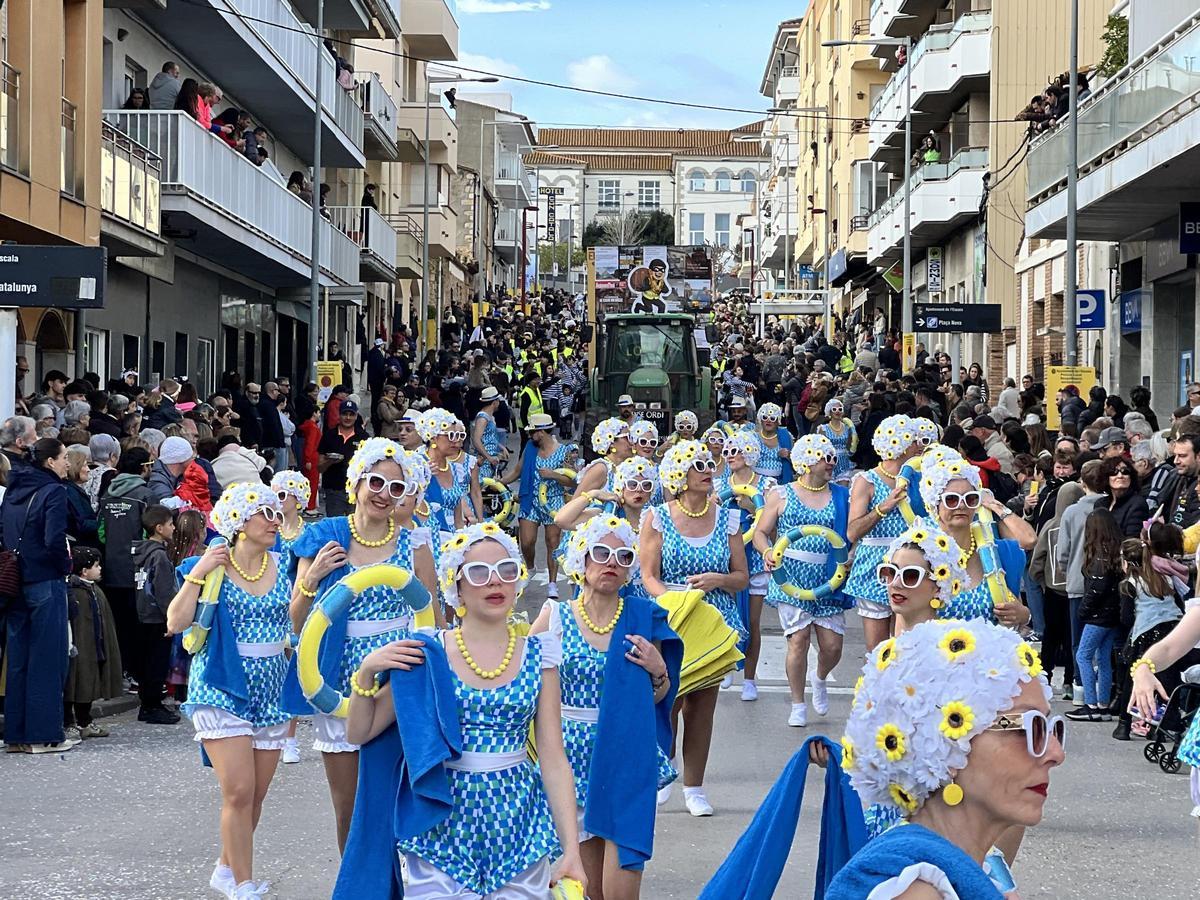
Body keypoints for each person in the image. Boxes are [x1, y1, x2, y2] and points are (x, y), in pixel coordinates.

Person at [338, 523, 586, 897]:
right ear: (456, 585)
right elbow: (360, 731)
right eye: (479, 572)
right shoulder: (429, 652)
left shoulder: (539, 655)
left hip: (517, 821)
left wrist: (572, 851)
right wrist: (366, 672)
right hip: (442, 821)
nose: (495, 581)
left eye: (506, 570)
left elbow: (553, 757)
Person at [829, 619, 1064, 898]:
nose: (1056, 753)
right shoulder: (917, 892)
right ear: (947, 744)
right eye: (1029, 727)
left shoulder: (958, 869)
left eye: (1051, 728)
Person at [287, 439, 440, 852]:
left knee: (399, 798)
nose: (384, 494)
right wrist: (312, 577)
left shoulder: (415, 544)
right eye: (376, 482)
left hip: (399, 680)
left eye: (395, 487)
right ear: (356, 482)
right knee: (350, 808)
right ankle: (356, 879)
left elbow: (434, 620)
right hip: (340, 681)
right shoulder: (325, 537)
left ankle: (400, 880)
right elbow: (295, 621)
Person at [530, 514, 680, 897]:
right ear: (581, 559)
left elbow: (656, 697)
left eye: (623, 556)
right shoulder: (554, 616)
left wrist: (659, 670)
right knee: (588, 889)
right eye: (601, 553)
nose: (612, 562)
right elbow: (523, 683)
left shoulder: (642, 618)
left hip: (625, 755)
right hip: (570, 762)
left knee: (622, 887)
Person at [166, 484, 292, 899]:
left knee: (255, 795)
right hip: (221, 684)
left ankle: (225, 868)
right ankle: (243, 885)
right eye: (265, 514)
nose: (274, 521)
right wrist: (199, 571)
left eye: (277, 514)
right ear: (238, 520)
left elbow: (296, 619)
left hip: (272, 688)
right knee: (238, 792)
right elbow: (175, 622)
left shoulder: (284, 562)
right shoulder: (210, 565)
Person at [640, 440, 748, 817]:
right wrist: (675, 599)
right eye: (698, 465)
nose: (708, 470)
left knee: (702, 708)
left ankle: (695, 788)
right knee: (668, 700)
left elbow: (742, 577)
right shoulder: (657, 517)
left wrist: (719, 580)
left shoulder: (728, 518)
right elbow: (648, 576)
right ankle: (664, 769)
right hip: (672, 620)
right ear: (678, 474)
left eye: (708, 464)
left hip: (713, 622)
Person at [756, 434, 851, 728]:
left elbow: (850, 535)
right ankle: (797, 703)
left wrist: (849, 557)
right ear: (808, 462)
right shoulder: (781, 494)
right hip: (791, 577)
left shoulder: (841, 495)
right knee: (798, 640)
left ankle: (819, 677)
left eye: (833, 458)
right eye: (826, 459)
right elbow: (761, 533)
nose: (832, 464)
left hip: (829, 577)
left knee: (832, 647)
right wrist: (768, 551)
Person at [0, 438, 76, 753]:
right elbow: (53, 539)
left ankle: (16, 734)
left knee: (18, 659)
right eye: (64, 457)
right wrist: (65, 566)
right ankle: (43, 735)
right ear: (50, 462)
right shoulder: (53, 491)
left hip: (14, 579)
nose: (68, 463)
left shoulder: (13, 490)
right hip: (45, 578)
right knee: (48, 657)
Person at [917, 453, 1035, 625]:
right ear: (935, 504)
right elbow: (903, 621)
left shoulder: (994, 549)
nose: (961, 505)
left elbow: (1029, 540)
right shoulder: (919, 549)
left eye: (970, 498)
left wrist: (1024, 615)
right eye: (951, 499)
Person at [845, 415, 918, 652]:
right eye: (914, 441)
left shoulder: (919, 479)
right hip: (874, 567)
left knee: (905, 647)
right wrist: (882, 508)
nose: (919, 446)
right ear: (902, 445)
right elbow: (852, 532)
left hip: (909, 565)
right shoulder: (866, 481)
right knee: (877, 650)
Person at [715, 429, 776, 701]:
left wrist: (752, 508)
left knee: (752, 621)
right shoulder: (718, 486)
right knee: (725, 617)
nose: (729, 456)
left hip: (754, 557)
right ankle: (726, 664)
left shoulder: (767, 486)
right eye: (727, 451)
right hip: (727, 558)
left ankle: (750, 679)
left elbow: (773, 528)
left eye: (735, 451)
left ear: (749, 453)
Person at [514, 413, 576, 601]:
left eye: (532, 432)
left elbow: (573, 480)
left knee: (552, 542)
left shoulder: (564, 451)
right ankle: (530, 567)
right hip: (531, 499)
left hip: (553, 500)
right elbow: (517, 470)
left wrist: (552, 475)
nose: (530, 435)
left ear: (541, 432)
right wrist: (499, 483)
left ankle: (552, 583)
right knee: (526, 541)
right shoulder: (530, 448)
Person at [63, 546, 123, 741]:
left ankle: (84, 721)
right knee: (74, 684)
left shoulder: (95, 590)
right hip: (79, 647)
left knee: (88, 683)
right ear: (84, 570)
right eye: (96, 566)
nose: (100, 569)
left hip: (94, 646)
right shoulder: (74, 592)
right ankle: (69, 722)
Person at [133, 505, 181, 725]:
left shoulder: (141, 552)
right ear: (159, 528)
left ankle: (148, 703)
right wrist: (172, 618)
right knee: (157, 662)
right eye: (170, 524)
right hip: (158, 615)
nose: (174, 528)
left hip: (143, 612)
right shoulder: (159, 556)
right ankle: (152, 705)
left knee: (146, 661)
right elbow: (164, 590)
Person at [419, 408, 481, 542]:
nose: (457, 441)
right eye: (451, 435)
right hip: (426, 539)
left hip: (451, 540)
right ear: (433, 437)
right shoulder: (417, 465)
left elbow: (458, 518)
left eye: (460, 436)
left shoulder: (454, 468)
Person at [317, 400, 368, 518]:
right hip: (334, 489)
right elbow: (319, 468)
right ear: (339, 415)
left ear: (356, 416)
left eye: (351, 414)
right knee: (334, 525)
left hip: (356, 490)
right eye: (345, 414)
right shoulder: (329, 435)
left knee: (356, 526)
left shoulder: (364, 437)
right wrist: (330, 461)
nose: (348, 417)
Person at [576, 417, 633, 495]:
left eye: (632, 437)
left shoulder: (626, 467)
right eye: (627, 437)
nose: (632, 442)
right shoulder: (600, 469)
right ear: (612, 443)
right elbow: (576, 500)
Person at [1098, 454, 1149, 536]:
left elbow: (1132, 540)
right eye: (1114, 472)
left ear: (1131, 476)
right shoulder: (1100, 504)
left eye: (1125, 471)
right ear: (1106, 477)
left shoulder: (1138, 504)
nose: (1120, 476)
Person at [470, 386, 507, 481]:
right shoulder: (483, 418)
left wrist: (502, 447)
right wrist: (489, 457)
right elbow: (476, 440)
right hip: (485, 461)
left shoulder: (489, 417)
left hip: (490, 460)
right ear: (494, 402)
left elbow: (490, 437)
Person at [817, 398, 856, 484]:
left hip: (844, 463)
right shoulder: (823, 429)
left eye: (840, 409)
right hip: (829, 462)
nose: (837, 411)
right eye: (834, 409)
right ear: (830, 412)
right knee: (830, 489)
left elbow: (850, 445)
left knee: (843, 489)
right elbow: (820, 448)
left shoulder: (848, 428)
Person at [147, 435, 194, 503]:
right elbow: (167, 505)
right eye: (191, 457)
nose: (193, 461)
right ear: (180, 459)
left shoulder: (181, 476)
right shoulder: (157, 481)